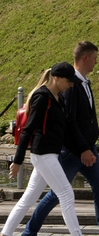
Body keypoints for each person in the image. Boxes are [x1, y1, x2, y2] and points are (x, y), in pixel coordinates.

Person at [22, 42, 99, 236]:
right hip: (74, 151)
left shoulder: (84, 82)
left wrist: (90, 144)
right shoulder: (72, 85)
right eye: (95, 58)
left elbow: (87, 116)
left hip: (88, 147)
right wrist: (82, 149)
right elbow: (70, 120)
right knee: (58, 194)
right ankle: (29, 232)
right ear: (85, 58)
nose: (96, 62)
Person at [2, 63, 83, 236]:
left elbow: (64, 130)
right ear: (57, 78)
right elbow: (27, 131)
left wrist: (82, 148)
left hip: (49, 154)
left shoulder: (59, 98)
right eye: (69, 81)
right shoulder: (42, 97)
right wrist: (17, 161)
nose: (71, 84)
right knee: (67, 194)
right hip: (43, 154)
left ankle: (5, 233)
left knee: (28, 199)